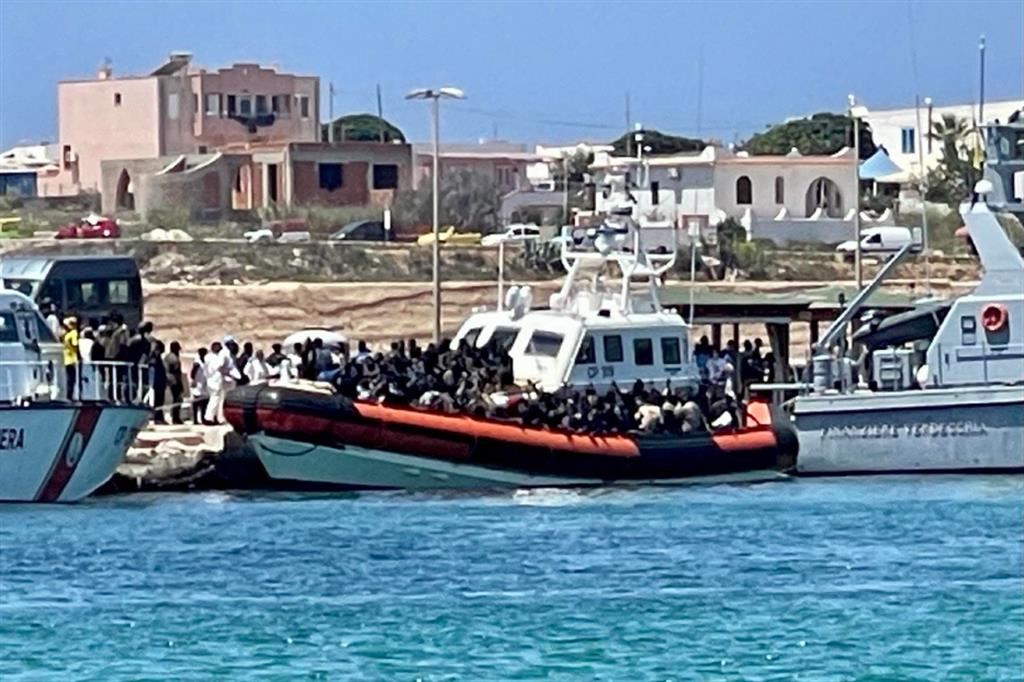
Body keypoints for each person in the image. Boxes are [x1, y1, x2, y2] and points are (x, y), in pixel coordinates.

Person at [204, 341, 232, 425]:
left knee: (216, 400)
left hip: (211, 380)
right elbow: (219, 365)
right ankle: (208, 417)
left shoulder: (208, 357)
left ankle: (214, 417)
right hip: (215, 381)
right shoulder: (214, 358)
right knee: (214, 400)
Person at [164, 341, 184, 425]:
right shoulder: (174, 358)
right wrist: (180, 383)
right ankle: (176, 418)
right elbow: (177, 372)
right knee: (177, 399)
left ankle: (175, 417)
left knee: (175, 399)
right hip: (174, 380)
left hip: (169, 380)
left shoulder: (167, 357)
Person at [190, 347, 210, 425]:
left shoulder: (206, 361)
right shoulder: (197, 363)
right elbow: (192, 373)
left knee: (204, 402)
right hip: (198, 383)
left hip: (204, 383)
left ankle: (203, 418)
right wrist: (194, 380)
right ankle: (195, 419)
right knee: (196, 402)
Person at [150, 340, 168, 424]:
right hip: (157, 383)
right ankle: (157, 418)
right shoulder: (154, 360)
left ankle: (159, 417)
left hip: (160, 382)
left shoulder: (158, 359)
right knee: (158, 401)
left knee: (160, 401)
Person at [61, 317, 79, 400]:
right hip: (69, 358)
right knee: (71, 378)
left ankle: (70, 395)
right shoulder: (70, 333)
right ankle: (70, 395)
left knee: (71, 378)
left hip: (71, 359)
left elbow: (75, 344)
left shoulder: (73, 333)